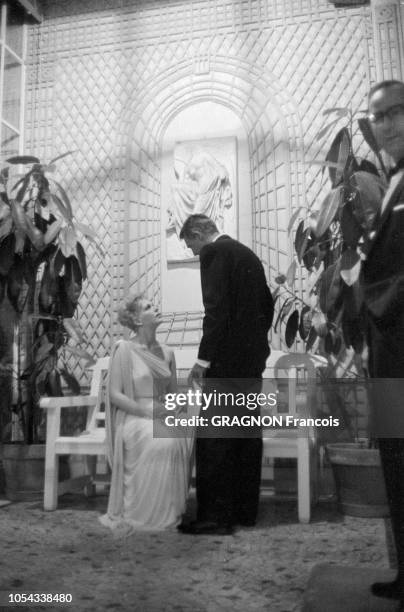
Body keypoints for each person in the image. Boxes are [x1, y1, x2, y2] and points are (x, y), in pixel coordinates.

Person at [177, 214, 274, 535]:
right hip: (251, 360)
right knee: (246, 436)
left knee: (215, 440)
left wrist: (203, 361)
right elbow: (267, 306)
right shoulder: (247, 254)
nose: (193, 253)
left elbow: (215, 310)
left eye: (191, 245)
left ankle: (215, 518)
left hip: (226, 362)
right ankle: (244, 512)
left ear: (197, 233)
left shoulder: (214, 253)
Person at [361, 79, 404, 609]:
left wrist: (371, 301)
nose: (385, 124)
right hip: (390, 352)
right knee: (396, 460)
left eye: (394, 112)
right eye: (377, 117)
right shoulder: (393, 180)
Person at [99, 295, 192, 533]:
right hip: (134, 415)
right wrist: (147, 411)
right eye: (149, 307)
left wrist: (178, 406)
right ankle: (141, 514)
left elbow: (172, 393)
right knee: (163, 442)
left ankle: (169, 513)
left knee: (182, 433)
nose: (157, 307)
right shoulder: (125, 349)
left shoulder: (168, 353)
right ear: (137, 320)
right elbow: (115, 394)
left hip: (160, 414)